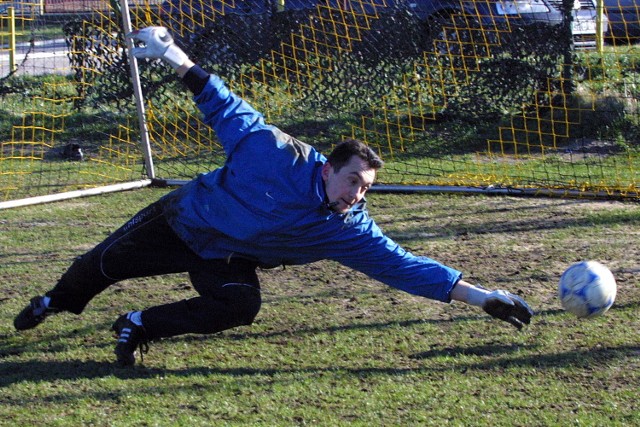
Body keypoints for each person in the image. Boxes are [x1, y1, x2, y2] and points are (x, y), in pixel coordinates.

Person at [14, 27, 534, 366]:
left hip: (227, 253)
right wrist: (173, 54)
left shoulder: (346, 228)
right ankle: (53, 303)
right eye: (353, 180)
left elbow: (405, 267)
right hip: (184, 221)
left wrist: (484, 297)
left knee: (239, 306)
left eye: (367, 188)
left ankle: (137, 324)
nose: (357, 194)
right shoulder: (275, 153)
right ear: (328, 168)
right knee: (99, 267)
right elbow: (224, 105)